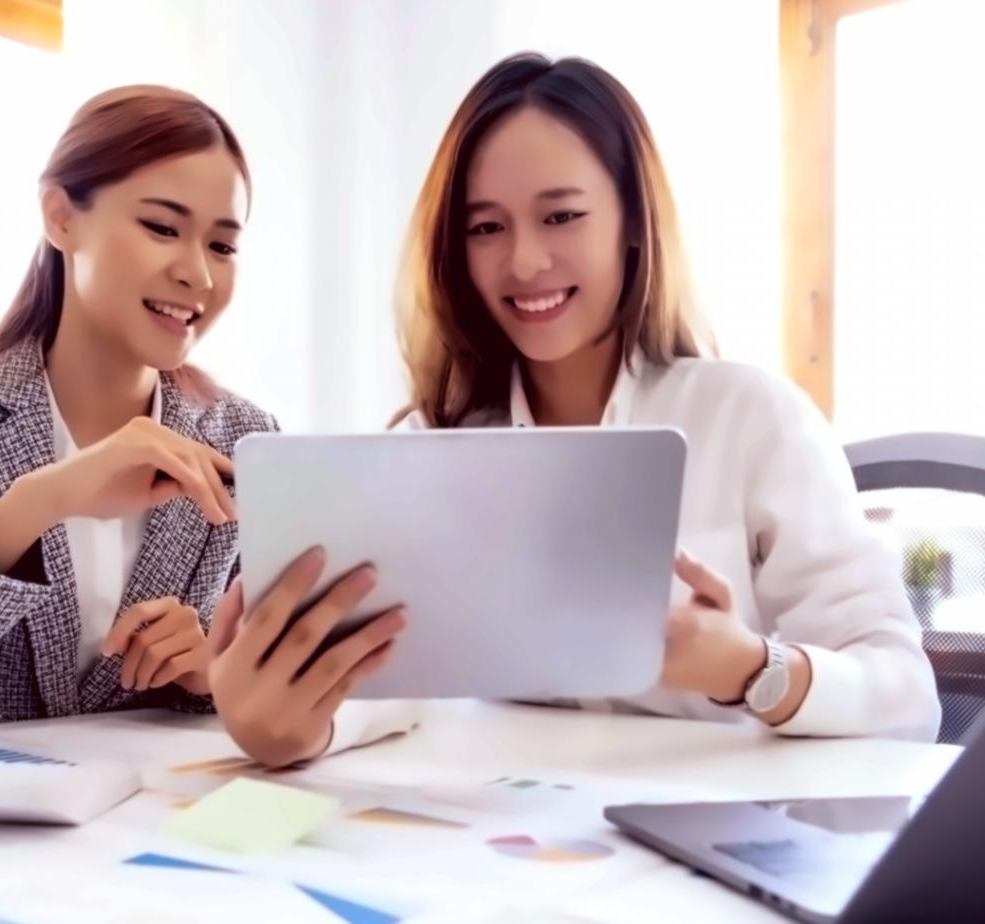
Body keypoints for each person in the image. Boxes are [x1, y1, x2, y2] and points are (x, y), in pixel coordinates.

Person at [0, 85, 408, 767]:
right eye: (161, 227)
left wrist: (211, 666)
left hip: (156, 845)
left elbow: (292, 679)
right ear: (61, 217)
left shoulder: (242, 438)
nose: (197, 274)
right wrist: (30, 507)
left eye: (222, 245)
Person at [393, 54, 939, 740]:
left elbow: (906, 699)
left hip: (717, 824)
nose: (524, 261)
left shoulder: (749, 420)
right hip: (495, 825)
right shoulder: (428, 449)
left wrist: (752, 670)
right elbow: (383, 692)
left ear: (630, 220)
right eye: (485, 228)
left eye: (560, 216)